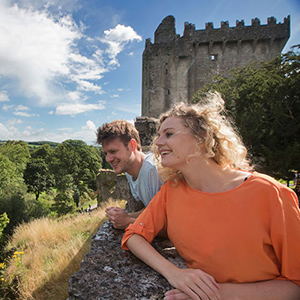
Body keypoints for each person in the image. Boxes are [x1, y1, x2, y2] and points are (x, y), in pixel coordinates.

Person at [121, 93, 300, 300]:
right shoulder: (172, 190)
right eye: (159, 135)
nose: (158, 142)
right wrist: (174, 273)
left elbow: (295, 285)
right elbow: (133, 236)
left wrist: (218, 293)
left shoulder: (271, 194)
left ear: (203, 137)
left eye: (169, 134)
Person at [96, 120, 162, 229]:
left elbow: (169, 220)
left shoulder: (153, 170)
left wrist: (129, 221)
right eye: (106, 153)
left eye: (113, 151)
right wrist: (125, 216)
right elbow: (152, 210)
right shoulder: (129, 171)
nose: (108, 159)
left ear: (132, 145)